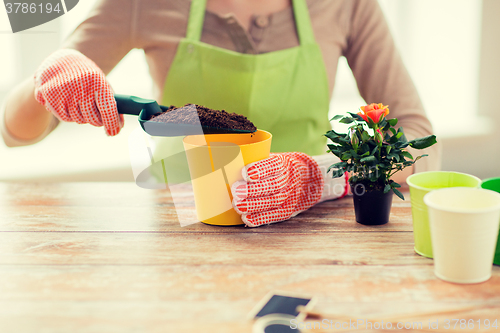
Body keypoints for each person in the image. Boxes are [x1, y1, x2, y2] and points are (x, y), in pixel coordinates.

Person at [1, 0, 440, 227]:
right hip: (185, 233)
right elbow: (15, 131)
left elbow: (420, 140)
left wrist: (319, 177)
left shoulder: (345, 5)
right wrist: (50, 73)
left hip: (310, 230)